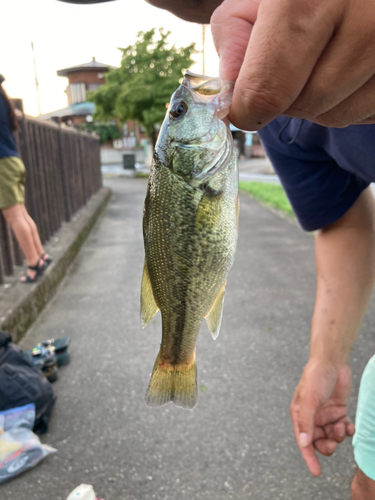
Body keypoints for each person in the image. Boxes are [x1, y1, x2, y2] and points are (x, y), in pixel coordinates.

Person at [59, 0, 375, 497]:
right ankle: (175, 358)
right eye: (179, 111)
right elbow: (342, 220)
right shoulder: (275, 111)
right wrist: (326, 357)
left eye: (176, 110)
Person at [0, 75, 52, 283]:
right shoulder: (4, 102)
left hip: (3, 164)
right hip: (13, 161)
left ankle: (33, 263)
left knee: (14, 217)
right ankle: (40, 254)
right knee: (21, 213)